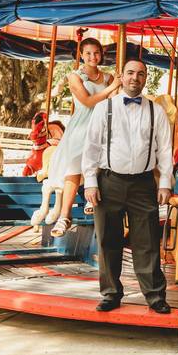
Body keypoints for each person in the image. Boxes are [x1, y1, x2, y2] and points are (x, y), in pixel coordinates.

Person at [82, 59, 174, 314]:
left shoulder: (157, 111)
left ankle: (155, 295)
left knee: (147, 241)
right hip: (109, 180)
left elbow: (165, 150)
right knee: (108, 240)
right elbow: (91, 146)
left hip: (143, 183)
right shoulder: (105, 108)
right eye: (131, 73)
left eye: (141, 74)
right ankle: (110, 293)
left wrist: (165, 182)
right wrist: (90, 181)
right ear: (121, 77)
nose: (135, 78)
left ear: (146, 79)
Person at [39, 37, 121, 235]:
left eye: (96, 53)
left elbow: (113, 101)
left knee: (108, 161)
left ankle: (92, 199)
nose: (93, 57)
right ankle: (64, 217)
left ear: (101, 54)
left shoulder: (109, 77)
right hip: (83, 124)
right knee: (75, 165)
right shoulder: (74, 76)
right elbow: (87, 101)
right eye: (88, 53)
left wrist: (117, 87)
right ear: (81, 55)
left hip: (104, 123)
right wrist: (111, 88)